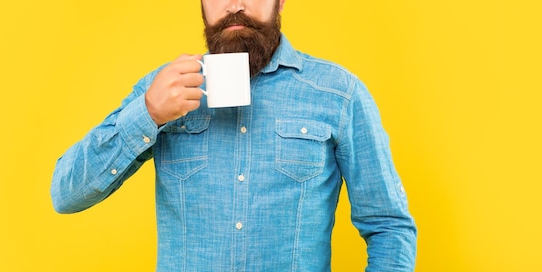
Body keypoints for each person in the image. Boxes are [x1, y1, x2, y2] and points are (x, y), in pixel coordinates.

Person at [51, 0, 417, 271]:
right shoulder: (163, 90)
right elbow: (66, 194)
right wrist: (147, 114)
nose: (235, 6)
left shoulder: (339, 94)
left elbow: (389, 226)